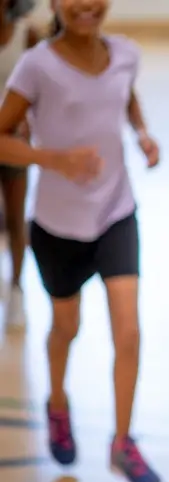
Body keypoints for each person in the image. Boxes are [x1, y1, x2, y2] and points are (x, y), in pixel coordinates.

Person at [0, 0, 162, 482]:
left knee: (129, 331)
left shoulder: (126, 53)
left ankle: (122, 442)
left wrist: (142, 133)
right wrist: (54, 159)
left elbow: (126, 97)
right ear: (54, 4)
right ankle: (56, 401)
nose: (86, 5)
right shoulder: (37, 65)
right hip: (56, 226)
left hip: (116, 212)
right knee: (66, 327)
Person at [0, 0, 40, 330]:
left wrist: (29, 121)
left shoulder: (28, 35)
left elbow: (42, 91)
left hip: (14, 145)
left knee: (16, 219)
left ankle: (16, 289)